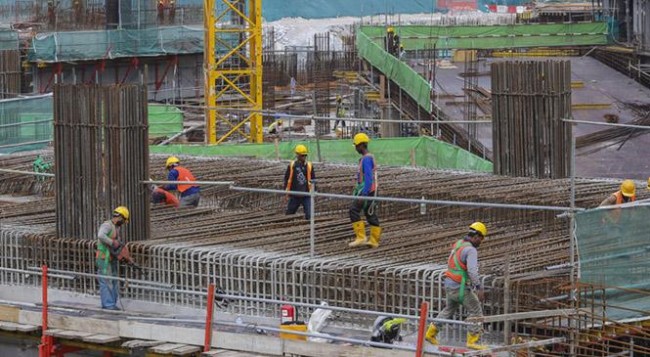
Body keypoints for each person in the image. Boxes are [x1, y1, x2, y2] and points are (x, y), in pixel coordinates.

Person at [425, 222, 488, 350]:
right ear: (477, 236)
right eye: (481, 239)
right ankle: (473, 341)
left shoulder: (458, 244)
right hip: (459, 287)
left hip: (449, 284)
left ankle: (430, 333)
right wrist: (479, 287)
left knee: (448, 309)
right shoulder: (471, 250)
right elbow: (472, 271)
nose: (480, 242)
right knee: (476, 310)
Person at [348, 133, 382, 248]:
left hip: (367, 191)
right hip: (372, 191)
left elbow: (368, 177)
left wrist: (364, 193)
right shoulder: (367, 157)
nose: (356, 149)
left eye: (357, 146)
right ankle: (374, 240)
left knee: (353, 210)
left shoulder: (366, 159)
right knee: (369, 214)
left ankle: (361, 237)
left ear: (361, 145)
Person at [96, 206, 129, 310]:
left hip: (111, 257)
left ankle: (112, 303)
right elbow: (101, 235)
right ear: (120, 217)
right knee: (106, 281)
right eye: (123, 220)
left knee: (113, 280)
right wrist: (112, 242)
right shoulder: (107, 225)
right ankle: (108, 305)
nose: (123, 223)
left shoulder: (116, 227)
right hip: (103, 258)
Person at [284, 144, 315, 220]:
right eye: (302, 155)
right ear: (297, 155)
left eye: (305, 155)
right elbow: (287, 179)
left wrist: (314, 191)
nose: (304, 157)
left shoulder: (309, 165)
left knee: (309, 215)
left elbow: (313, 179)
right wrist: (287, 192)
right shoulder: (292, 165)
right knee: (289, 214)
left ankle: (309, 229)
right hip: (295, 195)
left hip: (306, 195)